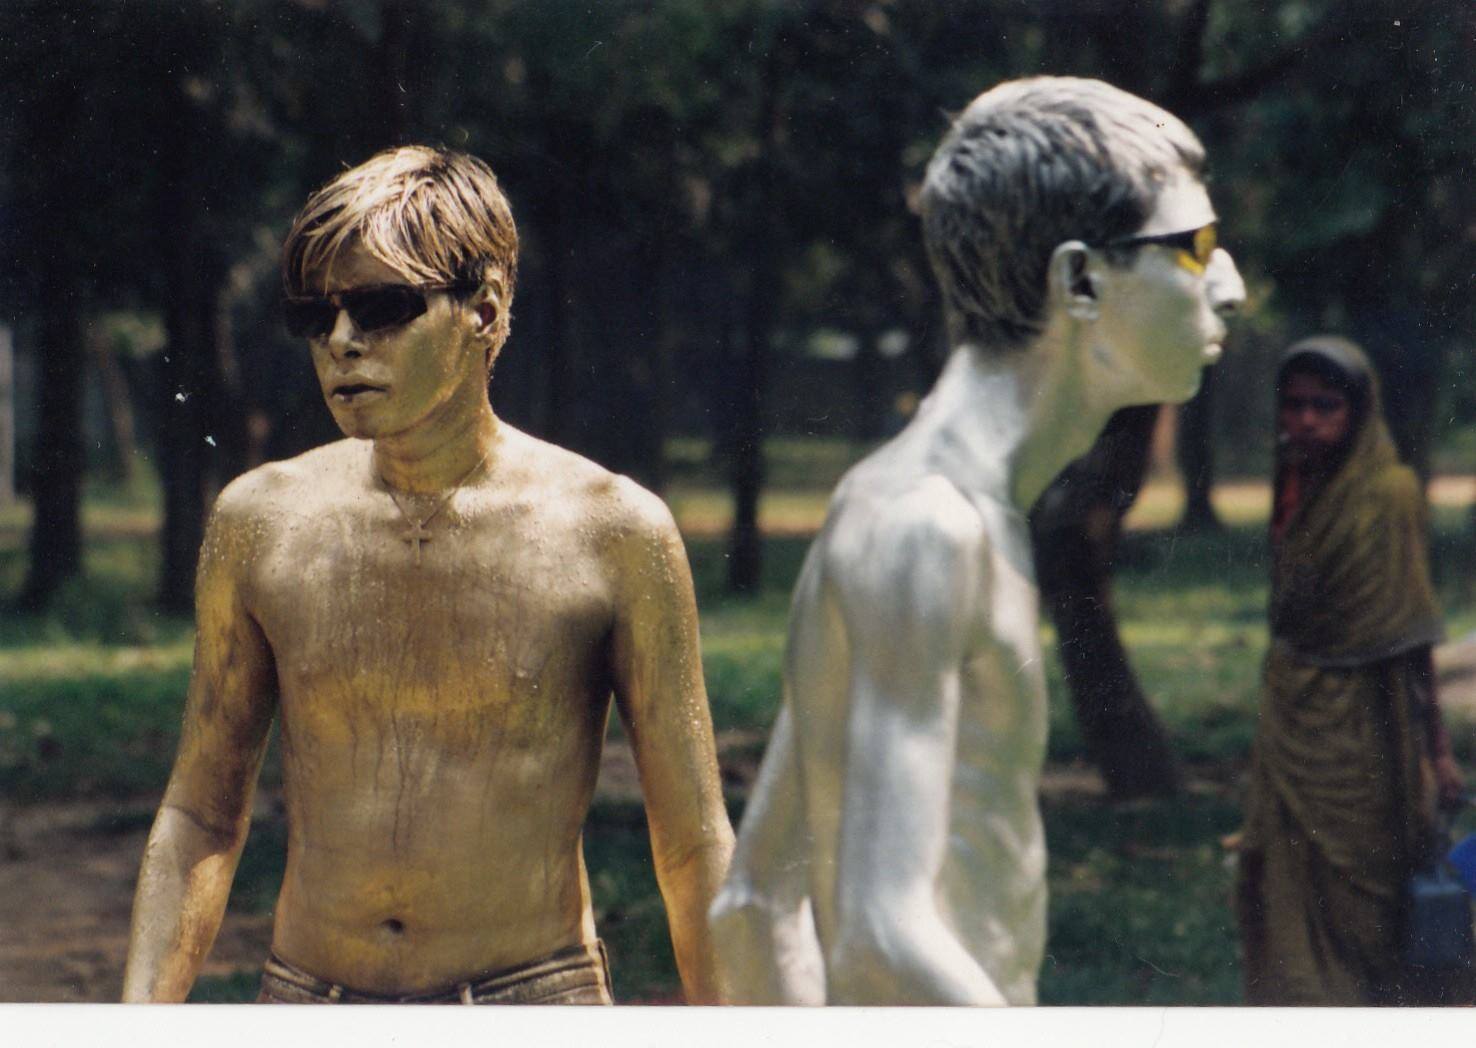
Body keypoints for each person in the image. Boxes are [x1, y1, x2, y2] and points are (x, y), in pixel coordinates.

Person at [122, 146, 734, 1005]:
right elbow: (199, 815)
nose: (342, 341)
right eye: (316, 315)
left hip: (531, 998)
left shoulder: (613, 531)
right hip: (309, 999)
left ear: (484, 309)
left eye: (382, 307)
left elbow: (693, 845)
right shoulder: (261, 522)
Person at [708, 76, 1245, 1005]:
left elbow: (753, 904)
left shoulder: (904, 506)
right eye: (1195, 247)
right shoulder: (928, 527)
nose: (1230, 286)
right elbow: (882, 934)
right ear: (1079, 281)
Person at [1235, 335, 1465, 1005]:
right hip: (1292, 710)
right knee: (1288, 867)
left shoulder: (1389, 493)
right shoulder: (1294, 483)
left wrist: (1437, 751)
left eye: (1325, 406)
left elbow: (1410, 633)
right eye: (1294, 405)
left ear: (1358, 412)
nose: (1306, 421)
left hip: (1370, 716)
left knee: (1367, 879)